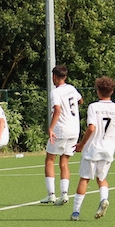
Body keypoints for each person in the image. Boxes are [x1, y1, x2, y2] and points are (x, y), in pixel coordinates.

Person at [70, 76, 115, 221]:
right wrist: (114, 139)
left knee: (84, 178)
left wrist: (81, 144)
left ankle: (76, 212)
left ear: (98, 91)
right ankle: (104, 199)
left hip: (93, 149)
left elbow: (91, 128)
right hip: (108, 150)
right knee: (102, 178)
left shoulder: (94, 107)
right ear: (112, 91)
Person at [41, 65, 82, 205]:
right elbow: (80, 100)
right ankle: (64, 194)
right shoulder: (71, 88)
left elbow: (57, 110)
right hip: (74, 129)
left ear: (54, 76)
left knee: (50, 159)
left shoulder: (55, 92)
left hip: (61, 129)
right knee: (64, 161)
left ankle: (51, 195)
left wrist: (51, 128)